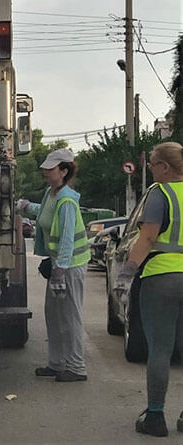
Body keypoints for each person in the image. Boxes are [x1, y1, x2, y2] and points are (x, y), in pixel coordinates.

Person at [116, 142, 183, 437]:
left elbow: (147, 237)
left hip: (162, 278)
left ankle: (155, 416)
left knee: (160, 349)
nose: (150, 168)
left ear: (165, 168)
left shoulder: (160, 193)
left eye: (153, 164)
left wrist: (127, 273)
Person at [17, 148, 90, 382]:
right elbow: (45, 213)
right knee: (54, 314)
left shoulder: (67, 200)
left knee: (70, 315)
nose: (45, 172)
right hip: (60, 265)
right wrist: (28, 206)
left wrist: (60, 272)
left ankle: (76, 367)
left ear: (64, 171)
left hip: (69, 267)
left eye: (50, 169)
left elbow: (67, 238)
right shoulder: (52, 194)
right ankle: (57, 363)